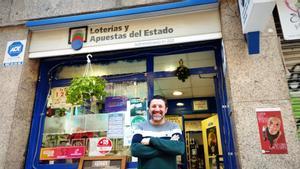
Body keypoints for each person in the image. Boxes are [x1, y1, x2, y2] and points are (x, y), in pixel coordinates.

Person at [131, 95, 185, 169]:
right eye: (153, 106)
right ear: (149, 109)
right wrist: (168, 148)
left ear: (166, 110)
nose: (157, 109)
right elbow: (135, 150)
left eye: (160, 106)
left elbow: (180, 148)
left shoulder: (174, 127)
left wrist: (151, 140)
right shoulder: (140, 127)